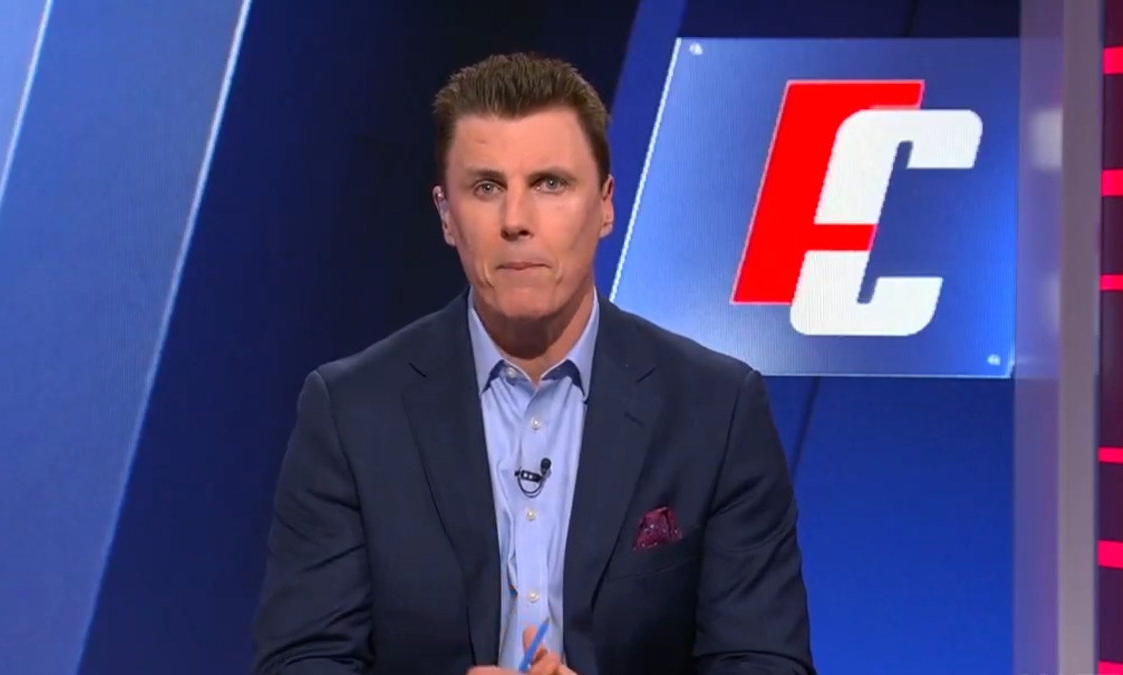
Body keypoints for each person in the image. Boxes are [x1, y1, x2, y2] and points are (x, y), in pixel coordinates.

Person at [252, 52, 815, 675]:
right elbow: (303, 661)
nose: (516, 221)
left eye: (550, 184)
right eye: (486, 188)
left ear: (605, 205)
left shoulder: (716, 411)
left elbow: (766, 662)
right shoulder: (351, 412)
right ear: (446, 215)